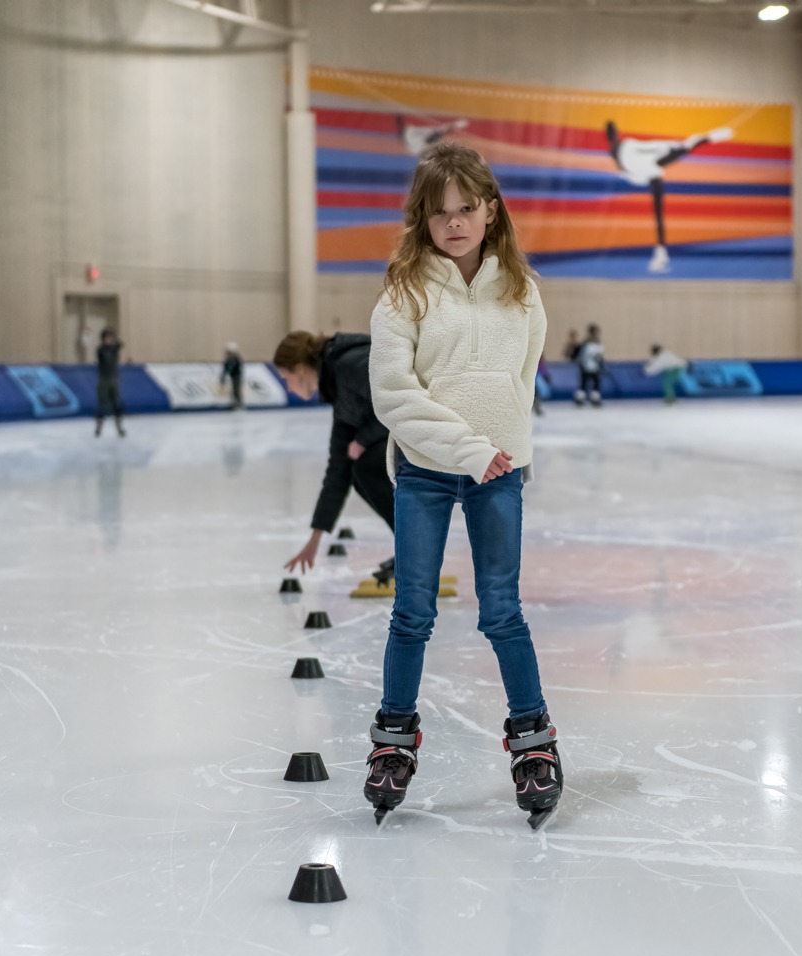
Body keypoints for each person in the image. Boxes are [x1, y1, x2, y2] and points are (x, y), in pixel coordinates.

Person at [365, 142, 563, 828]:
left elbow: (520, 379)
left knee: (501, 609)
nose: (453, 223)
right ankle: (394, 741)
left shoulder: (522, 290)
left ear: (490, 210)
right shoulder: (403, 294)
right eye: (439, 212)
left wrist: (499, 447)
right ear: (422, 219)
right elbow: (393, 395)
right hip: (425, 470)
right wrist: (467, 448)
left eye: (466, 209)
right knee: (412, 611)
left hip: (498, 473)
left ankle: (533, 739)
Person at [273, 331, 395, 575]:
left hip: (432, 427)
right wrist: (315, 539)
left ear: (300, 369)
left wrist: (362, 439)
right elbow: (337, 470)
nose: (288, 387)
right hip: (404, 435)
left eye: (287, 378)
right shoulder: (338, 391)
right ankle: (410, 548)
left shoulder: (350, 364)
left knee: (367, 464)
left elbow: (396, 402)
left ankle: (415, 550)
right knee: (355, 468)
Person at [605, 120, 733, 274]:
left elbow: (630, 169)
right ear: (615, 133)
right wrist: (670, 146)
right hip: (652, 168)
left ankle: (661, 254)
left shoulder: (617, 154)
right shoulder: (625, 146)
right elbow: (648, 148)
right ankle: (661, 254)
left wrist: (641, 176)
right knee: (686, 147)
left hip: (650, 171)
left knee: (659, 215)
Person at [95, 327, 125, 437]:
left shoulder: (114, 348)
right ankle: (99, 428)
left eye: (110, 337)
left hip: (113, 380)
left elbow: (121, 344)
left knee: (117, 404)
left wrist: (114, 337)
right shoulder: (101, 350)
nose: (109, 340)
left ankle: (119, 428)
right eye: (107, 337)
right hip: (104, 381)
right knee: (102, 405)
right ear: (103, 339)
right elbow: (105, 359)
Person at [568, 323, 605, 406]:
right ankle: (580, 398)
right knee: (584, 383)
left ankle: (594, 399)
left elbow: (600, 356)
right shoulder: (585, 344)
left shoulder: (598, 344)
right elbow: (577, 354)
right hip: (585, 367)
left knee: (596, 383)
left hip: (595, 367)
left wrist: (601, 364)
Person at [220, 342, 244, 409]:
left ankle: (238, 403)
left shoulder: (236, 359)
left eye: (229, 352)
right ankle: (234, 403)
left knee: (236, 390)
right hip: (233, 376)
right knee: (233, 390)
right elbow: (225, 369)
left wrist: (230, 368)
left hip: (237, 377)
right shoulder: (228, 360)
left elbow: (236, 367)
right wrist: (223, 377)